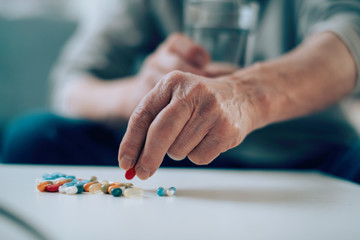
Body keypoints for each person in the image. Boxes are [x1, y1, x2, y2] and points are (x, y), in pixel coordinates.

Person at [2, 0, 360, 183]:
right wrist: (135, 94)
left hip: (306, 157)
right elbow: (71, 85)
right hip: (169, 158)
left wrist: (244, 96)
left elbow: (350, 38)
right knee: (33, 137)